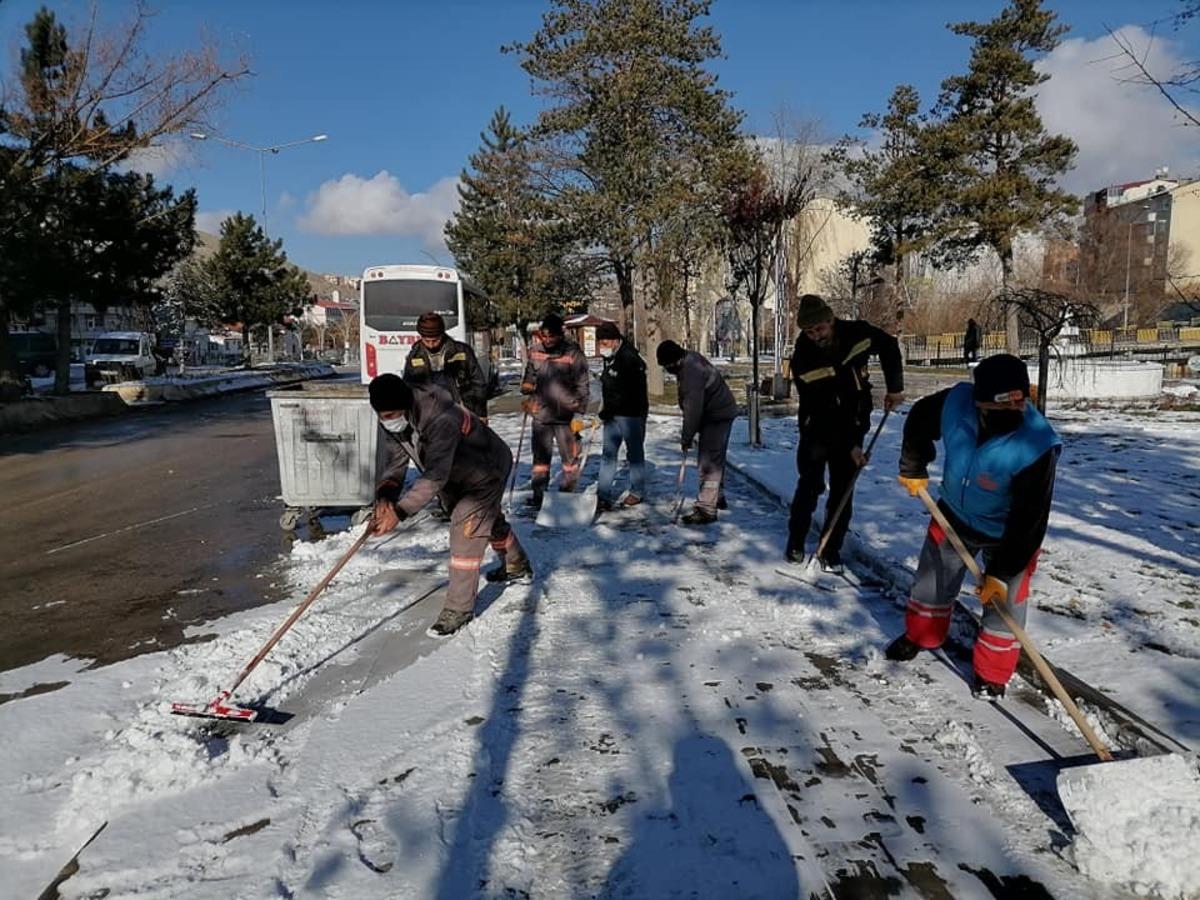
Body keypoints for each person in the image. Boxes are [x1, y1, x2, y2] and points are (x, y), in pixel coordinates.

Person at [885, 354, 1061, 698]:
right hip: (953, 515)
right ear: (980, 403)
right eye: (1000, 407)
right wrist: (913, 466)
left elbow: (1030, 520)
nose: (1012, 412)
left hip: (1008, 534)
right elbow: (919, 418)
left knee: (1005, 606)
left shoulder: (1036, 444)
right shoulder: (956, 403)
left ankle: (992, 674)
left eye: (1017, 404)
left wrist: (1002, 572)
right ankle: (920, 635)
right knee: (931, 584)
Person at [369, 373, 531, 639]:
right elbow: (395, 462)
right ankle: (517, 564)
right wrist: (386, 496)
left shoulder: (440, 417)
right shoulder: (395, 419)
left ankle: (459, 608)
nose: (387, 421)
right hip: (457, 472)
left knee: (466, 530)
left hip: (486, 469)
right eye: (382, 416)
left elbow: (435, 475)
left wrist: (399, 512)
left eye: (391, 415)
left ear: (405, 405)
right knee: (487, 521)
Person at [786, 294, 905, 571]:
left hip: (854, 419)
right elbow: (821, 408)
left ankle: (831, 549)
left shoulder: (857, 333)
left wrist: (895, 388)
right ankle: (796, 541)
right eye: (809, 331)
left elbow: (888, 345)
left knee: (843, 489)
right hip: (817, 427)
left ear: (831, 320)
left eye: (819, 328)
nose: (815, 335)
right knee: (810, 485)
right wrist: (850, 445)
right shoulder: (803, 357)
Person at [656, 339, 738, 525]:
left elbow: (693, 410)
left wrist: (686, 437)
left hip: (716, 416)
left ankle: (706, 509)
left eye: (666, 366)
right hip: (719, 412)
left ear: (673, 362)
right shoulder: (689, 360)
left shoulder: (691, 372)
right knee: (715, 458)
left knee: (708, 462)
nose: (667, 370)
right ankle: (717, 497)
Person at [519, 313, 590, 509]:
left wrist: (579, 412)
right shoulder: (536, 351)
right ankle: (539, 495)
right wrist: (526, 389)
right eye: (544, 336)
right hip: (540, 414)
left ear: (561, 334)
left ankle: (567, 495)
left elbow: (583, 384)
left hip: (565, 415)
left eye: (552, 336)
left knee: (569, 460)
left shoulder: (573, 353)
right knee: (540, 460)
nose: (547, 340)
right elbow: (530, 376)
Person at [595, 322, 649, 512]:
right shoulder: (610, 358)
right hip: (612, 416)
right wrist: (606, 409)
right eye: (600, 342)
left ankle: (637, 491)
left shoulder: (630, 359)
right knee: (608, 455)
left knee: (634, 454)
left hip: (631, 415)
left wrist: (610, 410)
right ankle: (603, 494)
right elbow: (610, 387)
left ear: (616, 340)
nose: (602, 346)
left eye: (605, 342)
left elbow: (629, 393)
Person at [403, 311, 489, 420]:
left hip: (462, 413)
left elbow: (478, 384)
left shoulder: (462, 352)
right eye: (427, 341)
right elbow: (408, 388)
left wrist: (481, 413)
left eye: (435, 340)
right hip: (430, 417)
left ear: (442, 334)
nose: (431, 345)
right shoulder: (414, 356)